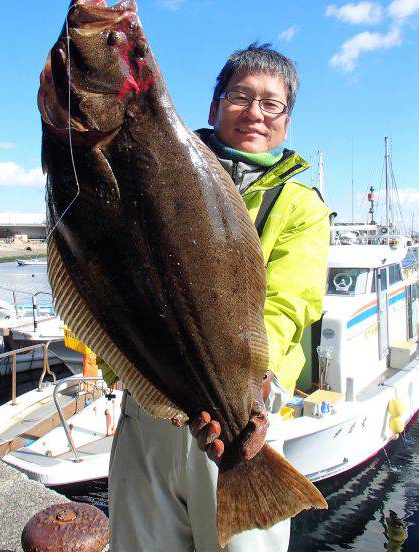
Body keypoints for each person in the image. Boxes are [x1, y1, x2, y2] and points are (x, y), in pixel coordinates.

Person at [107, 43, 330, 551]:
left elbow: (288, 305)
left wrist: (244, 395)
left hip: (244, 419)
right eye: (239, 96)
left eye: (271, 104)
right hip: (148, 413)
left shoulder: (300, 206)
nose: (254, 112)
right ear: (213, 108)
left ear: (286, 123)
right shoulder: (152, 170)